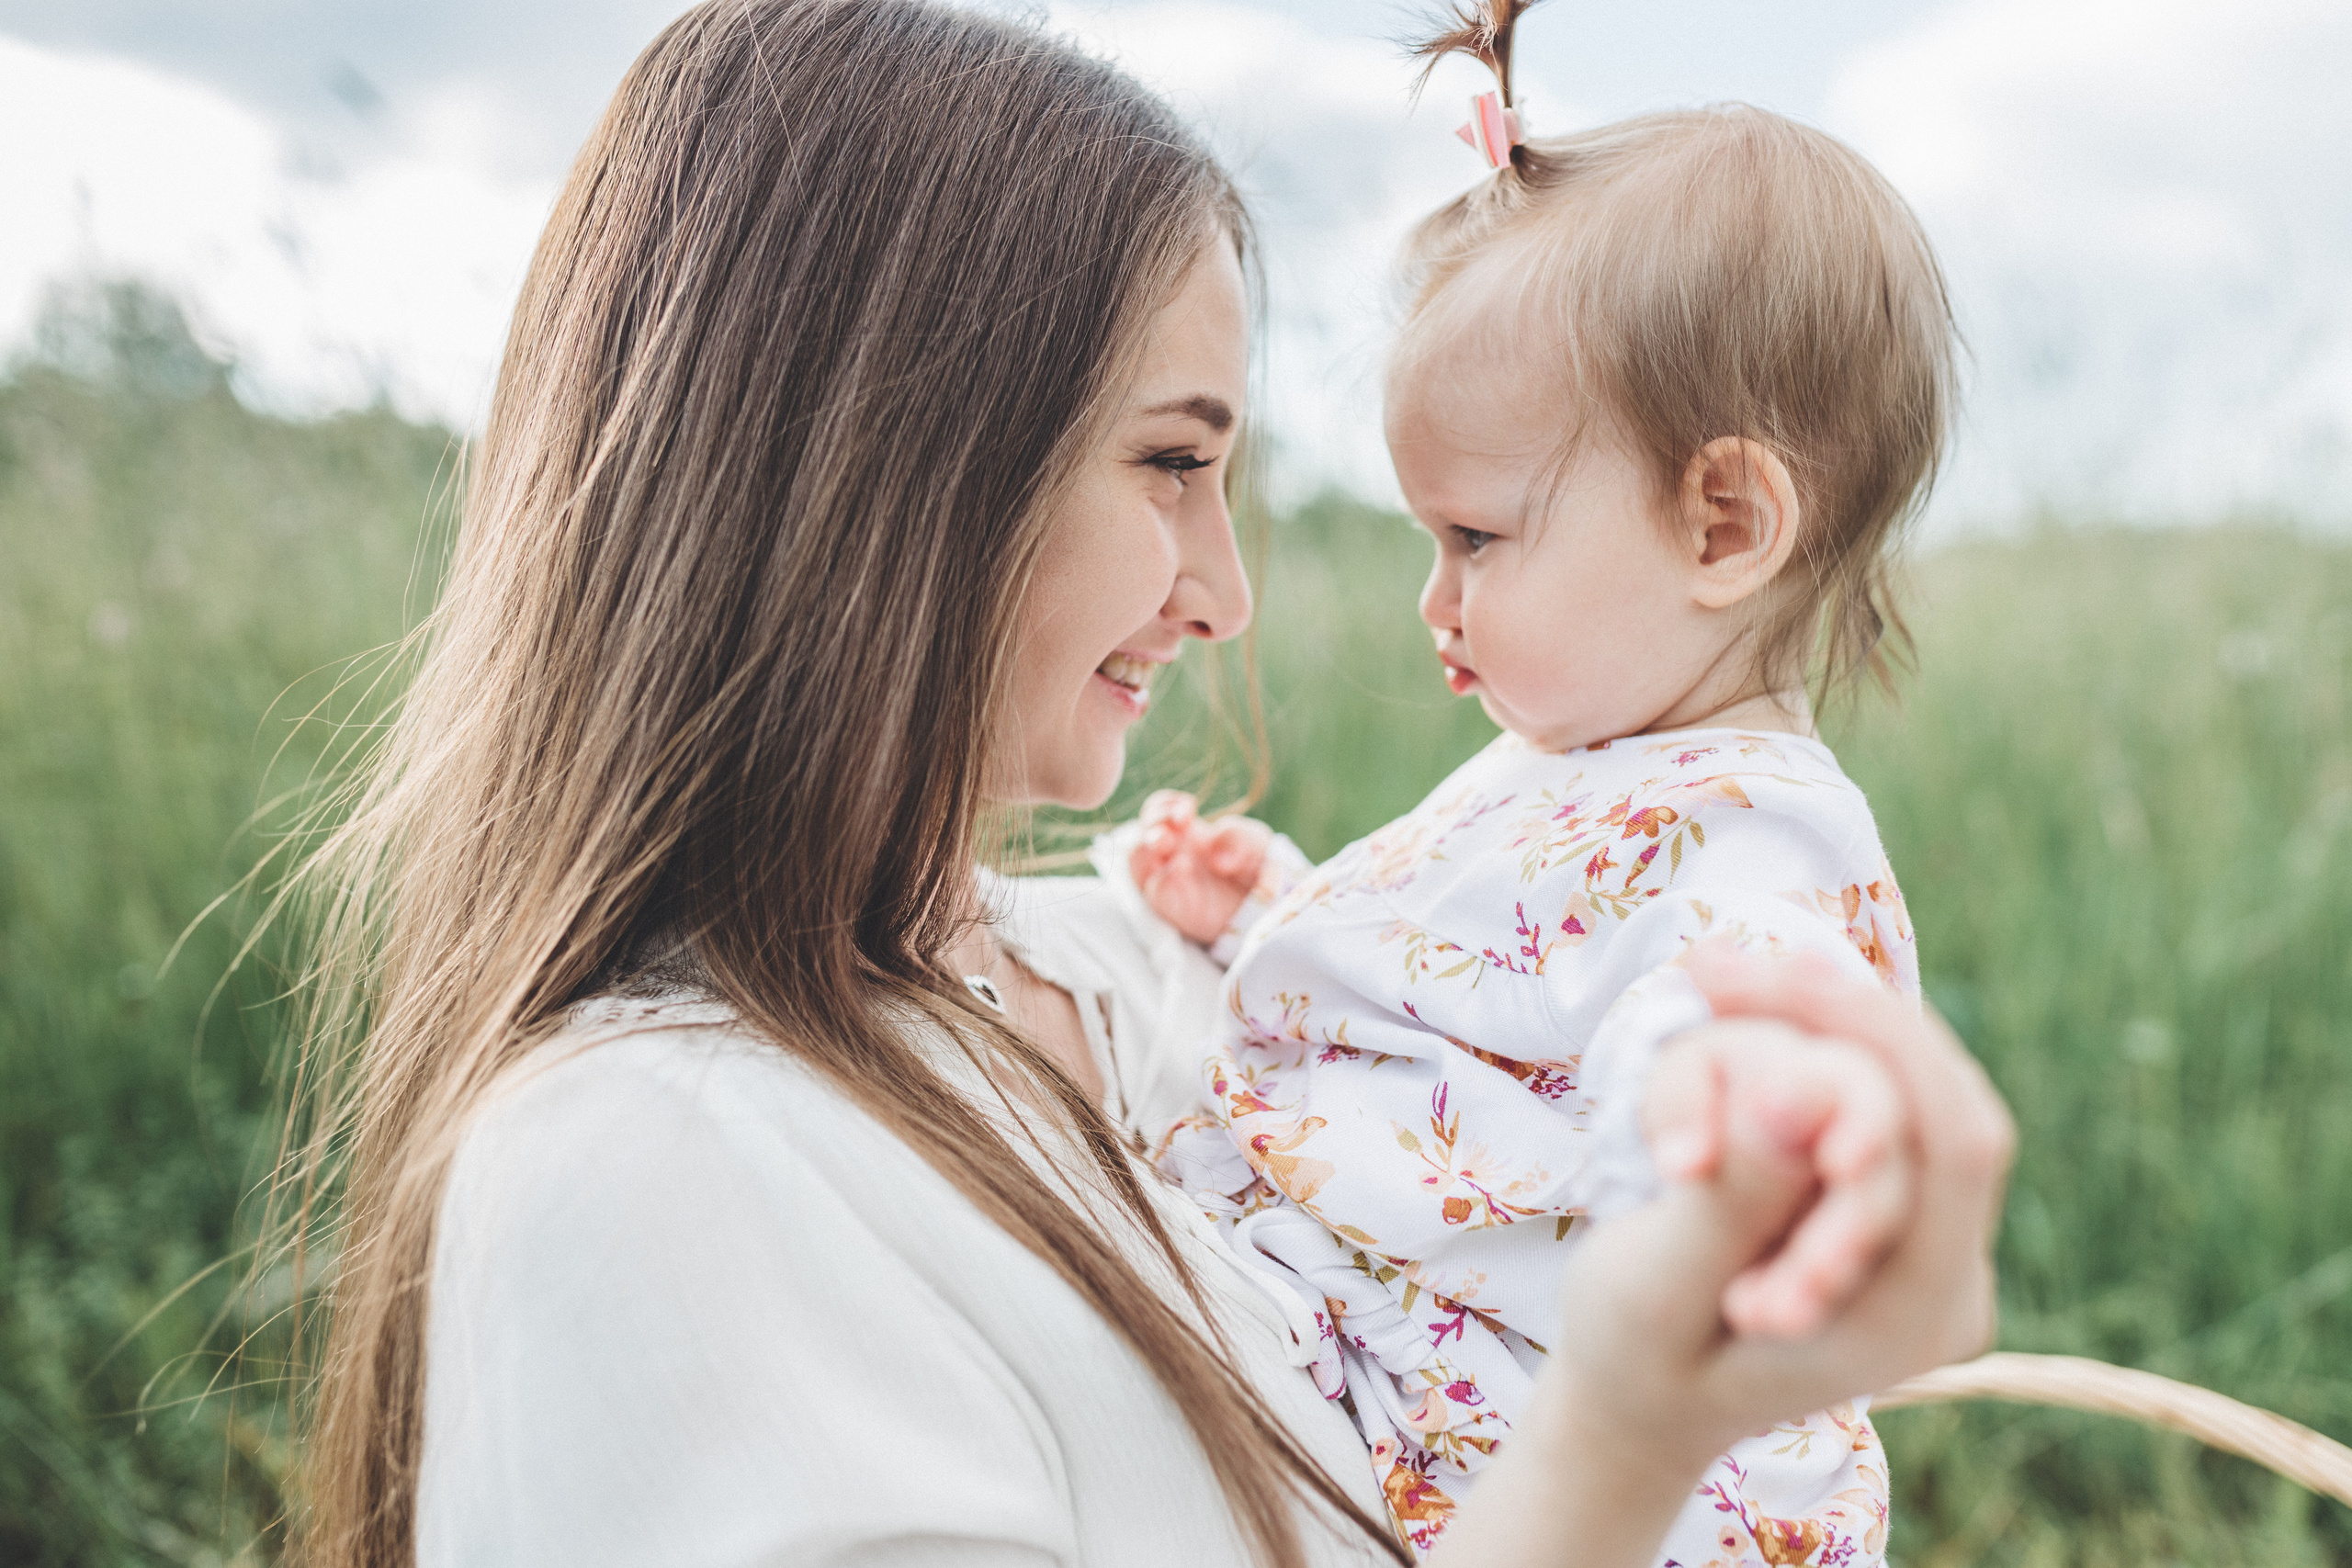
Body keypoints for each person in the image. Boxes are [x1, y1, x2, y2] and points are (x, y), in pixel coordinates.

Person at [270, 2, 2012, 1565]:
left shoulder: (1110, 973)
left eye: (1223, 473)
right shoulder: (657, 1160)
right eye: (1170, 462)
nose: (1225, 596)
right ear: (889, 471)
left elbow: (1553, 1021)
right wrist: (1628, 1426)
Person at [1132, 3, 1962, 1558]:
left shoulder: (1750, 841)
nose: (1433, 602)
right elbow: (1491, 1006)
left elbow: (1707, 1026)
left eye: (1478, 539)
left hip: (1525, 1450)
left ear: (1724, 525)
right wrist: (1284, 909)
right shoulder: (1595, 763)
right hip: (1432, 1362)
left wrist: (1728, 1118)